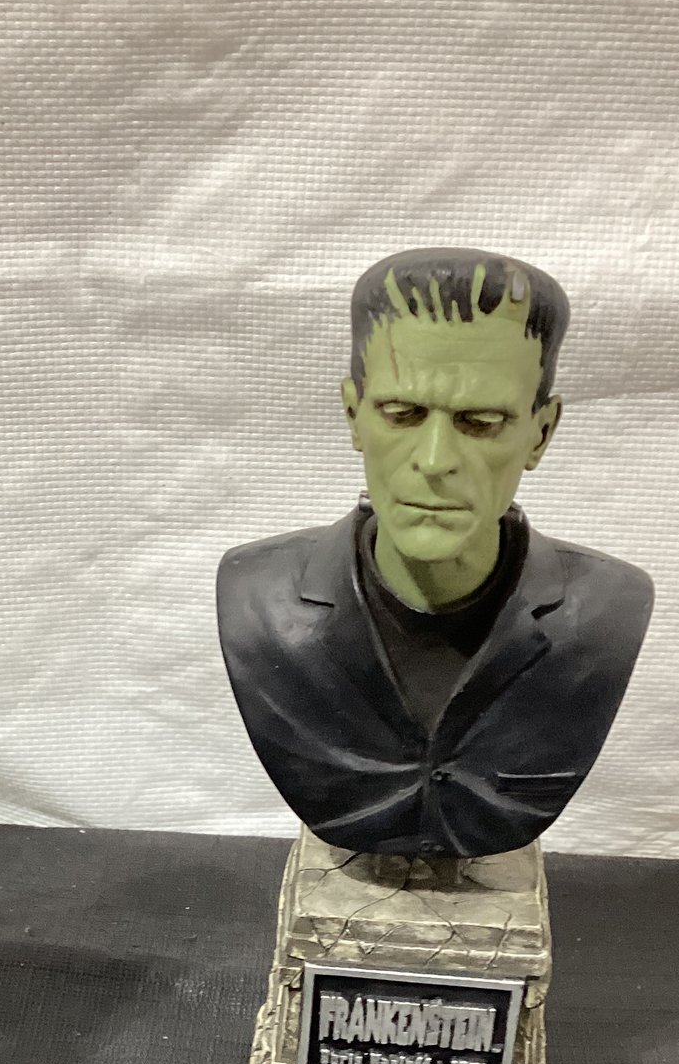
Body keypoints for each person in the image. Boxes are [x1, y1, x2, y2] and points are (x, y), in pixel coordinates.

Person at [217, 249, 654, 859]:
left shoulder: (606, 611)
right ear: (354, 416)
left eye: (482, 421)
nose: (434, 459)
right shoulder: (257, 596)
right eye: (402, 414)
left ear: (541, 433)